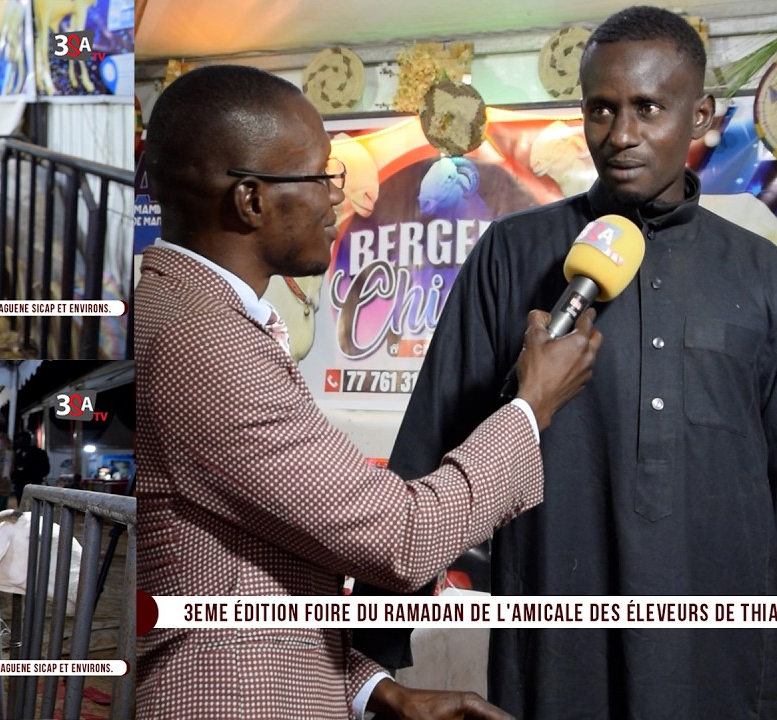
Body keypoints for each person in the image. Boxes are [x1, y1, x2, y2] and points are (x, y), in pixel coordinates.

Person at [136, 63, 602, 720]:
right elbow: (403, 540)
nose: (338, 195)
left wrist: (374, 690)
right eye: (321, 175)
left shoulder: (200, 312)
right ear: (251, 200)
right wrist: (531, 405)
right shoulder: (203, 340)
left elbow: (252, 571)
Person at [387, 7, 777, 718]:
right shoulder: (511, 255)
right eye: (601, 108)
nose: (621, 135)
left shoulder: (761, 274)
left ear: (700, 116)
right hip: (557, 657)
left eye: (648, 108)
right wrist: (373, 663)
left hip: (721, 664)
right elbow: (425, 457)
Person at [12, 430, 50, 506]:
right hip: (20, 488)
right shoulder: (17, 455)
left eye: (21, 440)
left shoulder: (39, 454)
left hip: (35, 487)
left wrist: (31, 473)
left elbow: (45, 469)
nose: (18, 443)